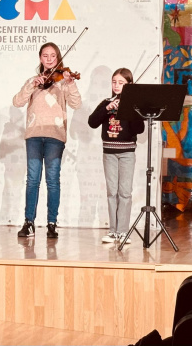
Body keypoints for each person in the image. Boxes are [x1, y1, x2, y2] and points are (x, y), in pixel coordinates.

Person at [13, 42, 81, 238]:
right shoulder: (33, 81)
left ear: (58, 58)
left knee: (52, 180)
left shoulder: (64, 81)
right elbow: (17, 101)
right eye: (45, 55)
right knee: (32, 180)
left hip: (55, 136)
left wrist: (70, 84)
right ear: (40, 58)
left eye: (53, 55)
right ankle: (29, 222)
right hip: (34, 135)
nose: (49, 59)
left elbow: (76, 104)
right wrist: (31, 86)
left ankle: (52, 223)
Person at [88, 68, 144, 244]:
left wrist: (130, 109)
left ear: (129, 85)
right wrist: (107, 109)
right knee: (112, 192)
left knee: (125, 193)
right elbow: (92, 122)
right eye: (114, 82)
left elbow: (139, 129)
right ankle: (113, 231)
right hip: (109, 153)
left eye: (121, 83)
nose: (117, 85)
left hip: (127, 153)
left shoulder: (133, 105)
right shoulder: (107, 103)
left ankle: (123, 231)